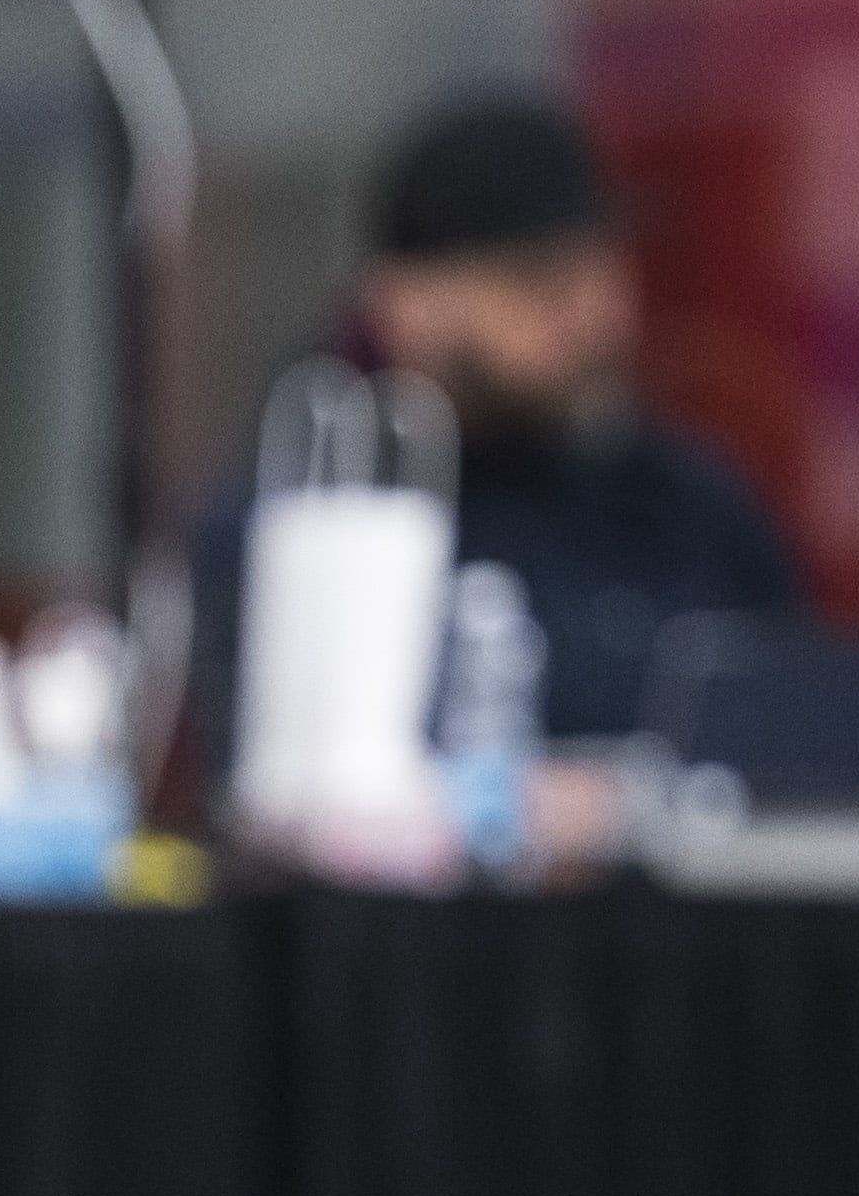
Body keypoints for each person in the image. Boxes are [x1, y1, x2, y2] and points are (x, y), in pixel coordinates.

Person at [192, 89, 798, 762]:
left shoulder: (692, 503)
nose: (592, 315)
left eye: (605, 268)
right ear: (406, 303)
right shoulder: (318, 525)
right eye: (538, 281)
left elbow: (808, 727)